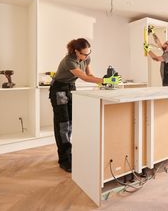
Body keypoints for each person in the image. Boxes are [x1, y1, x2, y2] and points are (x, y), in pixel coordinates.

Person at [49, 38, 121, 173]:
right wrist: (106, 80)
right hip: (58, 89)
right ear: (76, 51)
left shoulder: (87, 59)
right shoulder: (68, 61)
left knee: (70, 122)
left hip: (71, 87)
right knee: (62, 125)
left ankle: (69, 154)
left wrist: (104, 82)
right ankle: (64, 160)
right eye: (84, 54)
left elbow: (90, 74)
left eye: (89, 53)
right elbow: (84, 77)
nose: (87, 56)